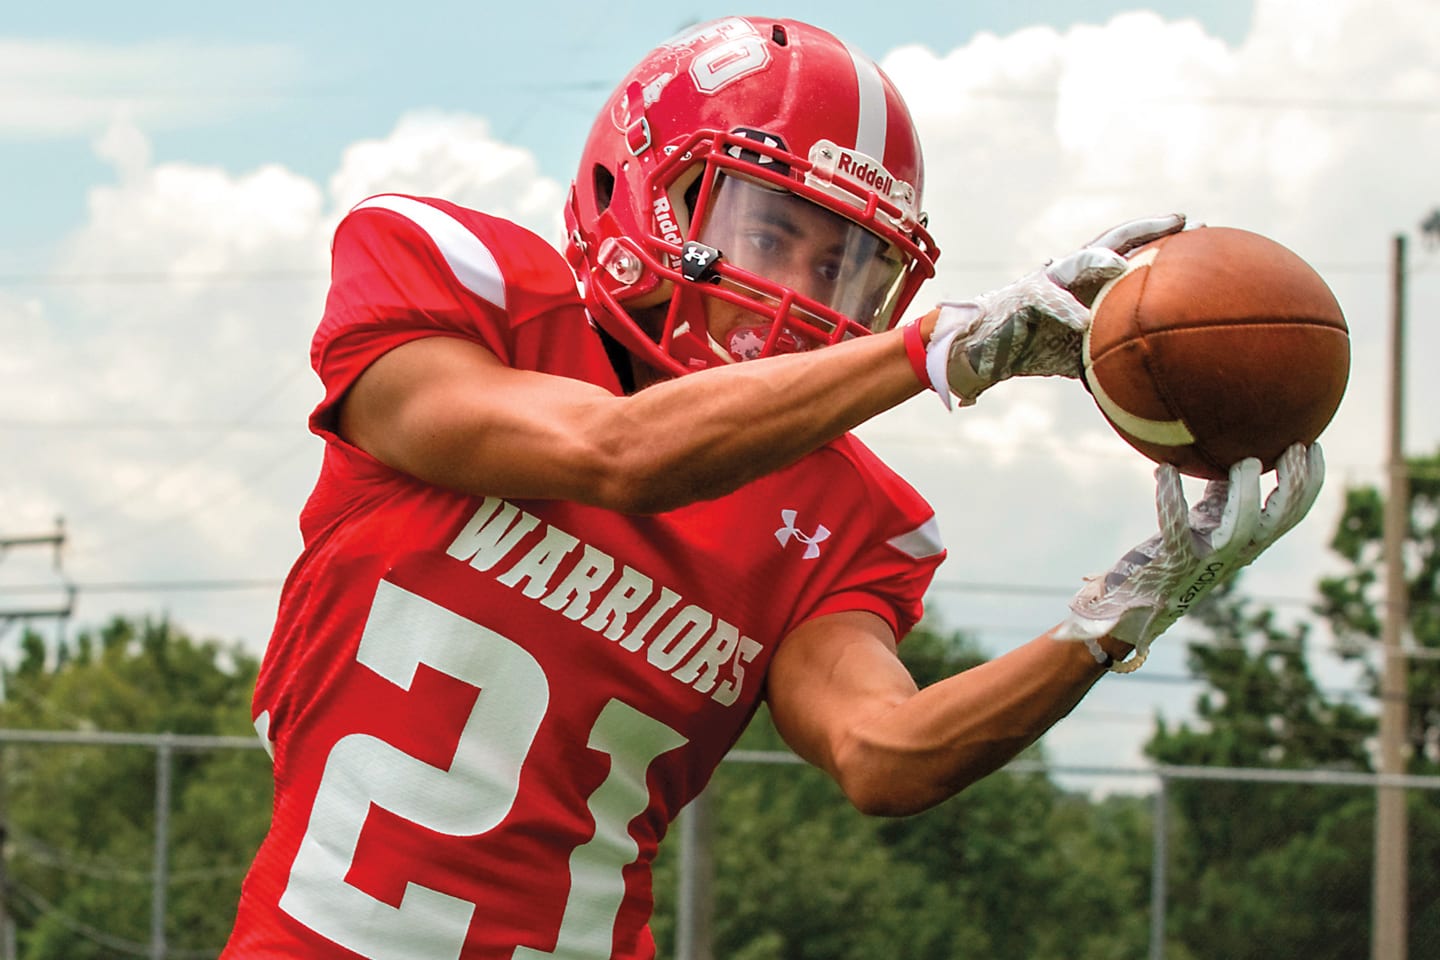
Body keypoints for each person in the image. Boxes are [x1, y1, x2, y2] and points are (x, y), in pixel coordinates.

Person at [221, 15, 1323, 959]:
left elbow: (886, 756)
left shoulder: (848, 520)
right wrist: (930, 353)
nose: (799, 292)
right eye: (772, 232)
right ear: (648, 184)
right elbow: (615, 453)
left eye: (847, 267)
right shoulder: (458, 291)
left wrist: (1114, 617)